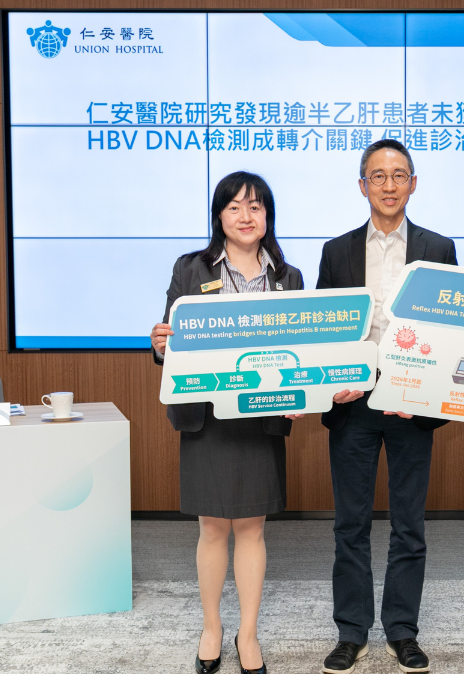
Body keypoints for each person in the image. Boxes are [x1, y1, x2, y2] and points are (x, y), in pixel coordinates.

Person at [150, 171, 304, 674]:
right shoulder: (192, 268)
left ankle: (249, 634)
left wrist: (305, 388)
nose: (245, 216)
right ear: (220, 215)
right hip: (208, 417)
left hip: (259, 417)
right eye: (235, 207)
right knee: (213, 527)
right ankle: (212, 627)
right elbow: (170, 339)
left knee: (253, 528)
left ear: (267, 218)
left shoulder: (289, 276)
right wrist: (160, 344)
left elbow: (303, 350)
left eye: (256, 207)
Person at [316, 139, 457, 674]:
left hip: (410, 404)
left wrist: (422, 390)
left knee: (408, 523)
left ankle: (401, 630)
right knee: (349, 523)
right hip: (354, 402)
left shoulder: (439, 248)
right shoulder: (337, 251)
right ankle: (351, 632)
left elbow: (449, 333)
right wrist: (335, 379)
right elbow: (327, 330)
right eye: (378, 176)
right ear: (362, 186)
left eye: (400, 175)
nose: (390, 184)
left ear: (413, 184)